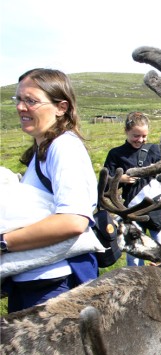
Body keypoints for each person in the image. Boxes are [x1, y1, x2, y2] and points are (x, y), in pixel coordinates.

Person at [1, 68, 98, 312]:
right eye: (19, 99)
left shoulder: (64, 147)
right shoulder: (42, 151)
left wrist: (3, 243)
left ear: (61, 107)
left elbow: (74, 220)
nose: (21, 107)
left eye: (31, 101)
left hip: (55, 284)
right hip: (35, 280)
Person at [103, 112, 161, 266]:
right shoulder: (115, 154)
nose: (140, 140)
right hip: (132, 210)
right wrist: (120, 179)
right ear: (126, 131)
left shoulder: (155, 150)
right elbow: (105, 183)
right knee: (134, 257)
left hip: (158, 210)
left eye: (144, 136)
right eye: (136, 135)